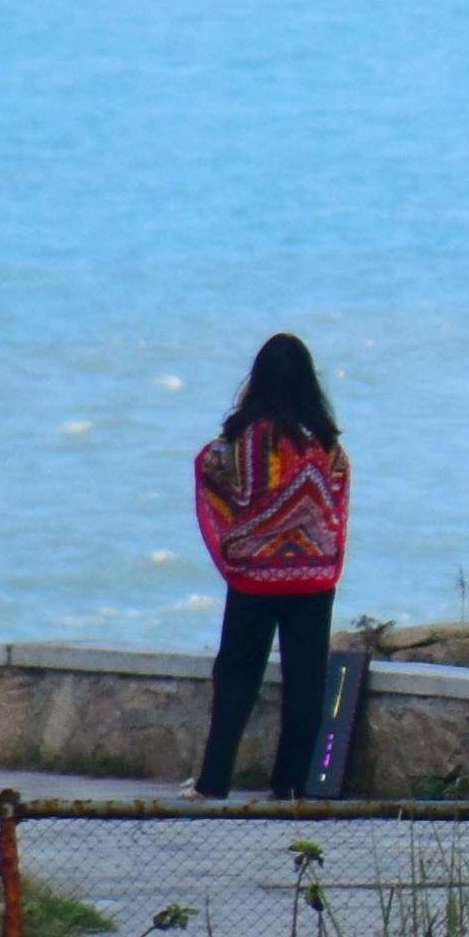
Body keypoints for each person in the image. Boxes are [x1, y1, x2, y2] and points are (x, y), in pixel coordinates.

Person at [190, 333, 353, 796]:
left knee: (237, 675)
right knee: (306, 679)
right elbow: (336, 501)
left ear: (257, 379)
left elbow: (211, 471)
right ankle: (290, 786)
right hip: (314, 577)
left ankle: (214, 781)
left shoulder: (244, 438)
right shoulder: (325, 441)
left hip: (256, 577)